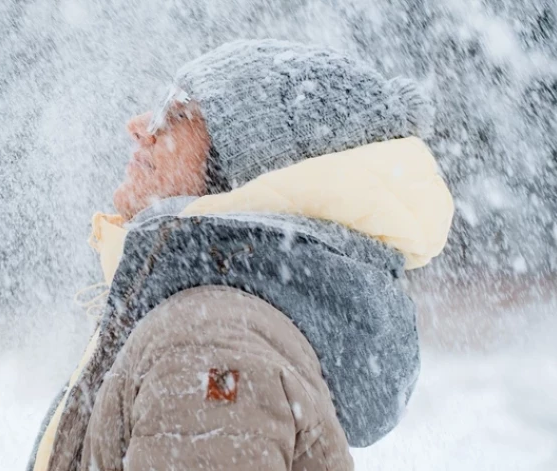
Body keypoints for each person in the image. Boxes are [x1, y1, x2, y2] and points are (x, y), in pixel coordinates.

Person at [28, 39, 454, 471]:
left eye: (175, 114)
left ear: (246, 165)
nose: (139, 126)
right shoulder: (229, 325)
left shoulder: (210, 343)